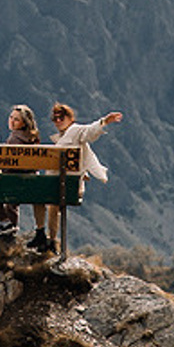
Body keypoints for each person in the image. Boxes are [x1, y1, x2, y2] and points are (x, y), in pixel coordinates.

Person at [50, 102, 125, 253]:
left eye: (61, 117)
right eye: (55, 118)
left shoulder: (75, 130)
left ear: (70, 118)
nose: (58, 121)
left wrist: (104, 121)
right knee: (53, 207)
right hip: (59, 186)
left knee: (52, 205)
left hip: (61, 187)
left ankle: (50, 241)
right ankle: (51, 241)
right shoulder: (61, 137)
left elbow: (89, 131)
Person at [1, 103, 43, 244]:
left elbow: (7, 166)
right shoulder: (32, 138)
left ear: (24, 123)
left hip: (14, 183)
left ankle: (9, 229)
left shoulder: (14, 139)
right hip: (33, 183)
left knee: (3, 193)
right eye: (11, 117)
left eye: (16, 119)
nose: (12, 121)